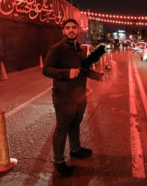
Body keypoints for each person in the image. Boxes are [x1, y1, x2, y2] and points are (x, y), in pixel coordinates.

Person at [43, 19, 105, 176]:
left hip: (79, 95)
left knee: (76, 122)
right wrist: (66, 73)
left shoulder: (80, 50)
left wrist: (99, 76)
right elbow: (46, 70)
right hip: (63, 96)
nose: (71, 30)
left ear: (78, 31)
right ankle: (58, 161)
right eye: (68, 28)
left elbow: (84, 70)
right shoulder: (56, 49)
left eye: (74, 28)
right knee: (62, 127)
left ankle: (75, 149)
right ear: (63, 31)